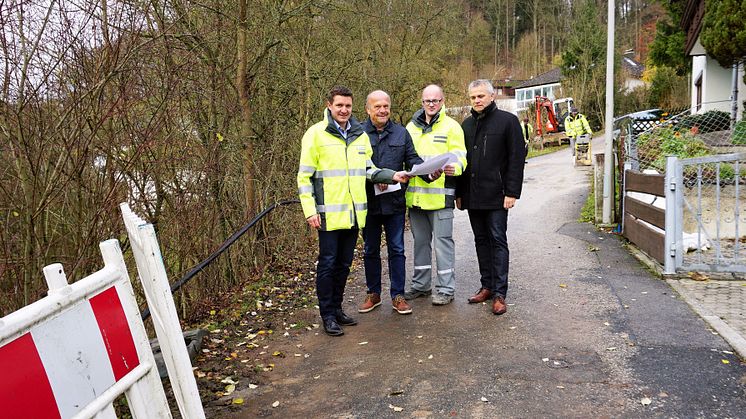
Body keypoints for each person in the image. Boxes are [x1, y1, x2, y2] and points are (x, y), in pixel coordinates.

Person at [297, 86, 409, 336]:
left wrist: (393, 175)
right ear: (329, 106)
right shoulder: (315, 134)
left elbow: (369, 170)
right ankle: (327, 315)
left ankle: (336, 309)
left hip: (353, 215)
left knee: (344, 265)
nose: (344, 110)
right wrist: (309, 210)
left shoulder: (359, 136)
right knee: (327, 264)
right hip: (327, 215)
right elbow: (304, 177)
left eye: (348, 106)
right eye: (339, 105)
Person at [456, 79, 526, 315]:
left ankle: (499, 293)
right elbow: (460, 163)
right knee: (480, 240)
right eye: (473, 97)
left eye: (481, 96)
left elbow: (516, 159)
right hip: (473, 196)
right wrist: (459, 193)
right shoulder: (465, 126)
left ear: (492, 96)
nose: (477, 100)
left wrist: (512, 191)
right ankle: (486, 286)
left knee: (497, 240)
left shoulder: (508, 122)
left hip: (497, 195)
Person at [358, 90, 429, 315]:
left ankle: (397, 295)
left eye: (386, 106)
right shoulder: (357, 134)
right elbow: (354, 167)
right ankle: (374, 293)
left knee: (397, 249)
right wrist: (377, 179)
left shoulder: (401, 133)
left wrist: (428, 173)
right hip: (367, 203)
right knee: (370, 250)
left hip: (395, 203)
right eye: (377, 106)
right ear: (368, 109)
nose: (383, 110)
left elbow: (413, 160)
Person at [403, 84, 467, 306]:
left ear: (442, 101)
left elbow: (461, 157)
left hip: (441, 198)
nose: (431, 104)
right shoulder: (410, 127)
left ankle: (445, 289)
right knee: (420, 243)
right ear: (422, 102)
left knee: (443, 244)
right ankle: (421, 286)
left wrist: (455, 168)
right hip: (417, 198)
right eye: (427, 101)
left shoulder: (452, 127)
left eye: (435, 100)